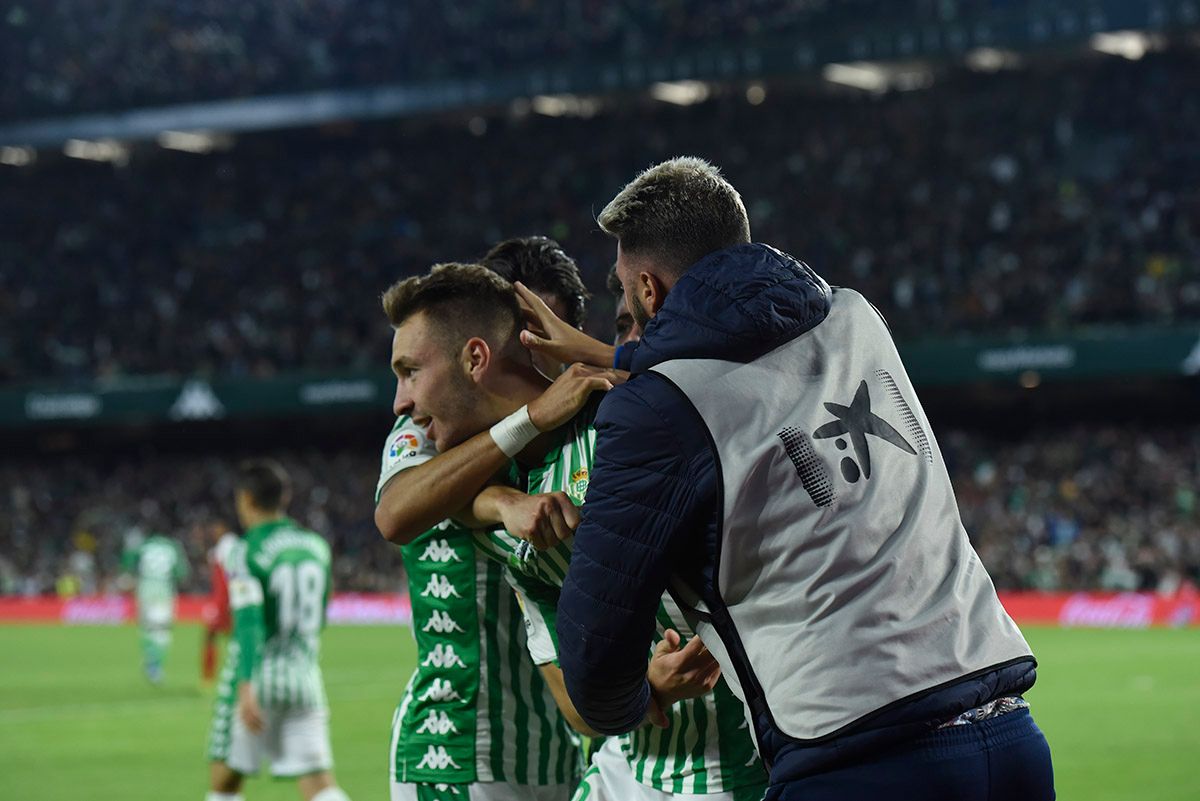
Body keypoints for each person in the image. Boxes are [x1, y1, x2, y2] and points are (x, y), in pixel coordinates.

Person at [527, 157, 1056, 801]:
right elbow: (745, 346)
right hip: (1010, 739)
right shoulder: (859, 320)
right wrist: (615, 355)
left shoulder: (654, 413)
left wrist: (643, 696)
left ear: (647, 289)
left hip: (855, 760)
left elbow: (595, 664)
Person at [381, 262, 767, 800]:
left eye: (409, 372)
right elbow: (576, 702)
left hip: (734, 770)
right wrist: (646, 688)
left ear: (475, 358)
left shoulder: (624, 423)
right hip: (623, 770)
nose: (400, 403)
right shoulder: (500, 517)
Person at [376, 238, 594, 801]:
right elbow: (398, 511)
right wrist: (503, 496)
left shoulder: (585, 440)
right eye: (521, 336)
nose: (531, 358)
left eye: (548, 339)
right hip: (458, 744)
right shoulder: (424, 428)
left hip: (563, 745)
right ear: (483, 352)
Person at [206, 460, 350, 801]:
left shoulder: (243, 551)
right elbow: (322, 610)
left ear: (245, 499)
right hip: (304, 678)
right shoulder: (315, 546)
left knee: (223, 781)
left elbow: (249, 623)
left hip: (258, 678)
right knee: (319, 784)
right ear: (284, 497)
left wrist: (245, 686)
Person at [120, 526, 189, 685]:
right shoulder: (173, 546)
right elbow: (182, 572)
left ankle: (149, 661)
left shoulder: (144, 544)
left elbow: (127, 563)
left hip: (144, 589)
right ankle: (155, 666)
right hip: (163, 591)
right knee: (163, 632)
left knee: (147, 629)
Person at [202, 522, 238, 686]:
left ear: (225, 528)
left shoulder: (228, 543)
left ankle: (209, 677)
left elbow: (229, 573)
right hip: (226, 599)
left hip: (226, 600)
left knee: (212, 635)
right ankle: (211, 676)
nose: (214, 531)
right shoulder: (224, 546)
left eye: (217, 528)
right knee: (226, 636)